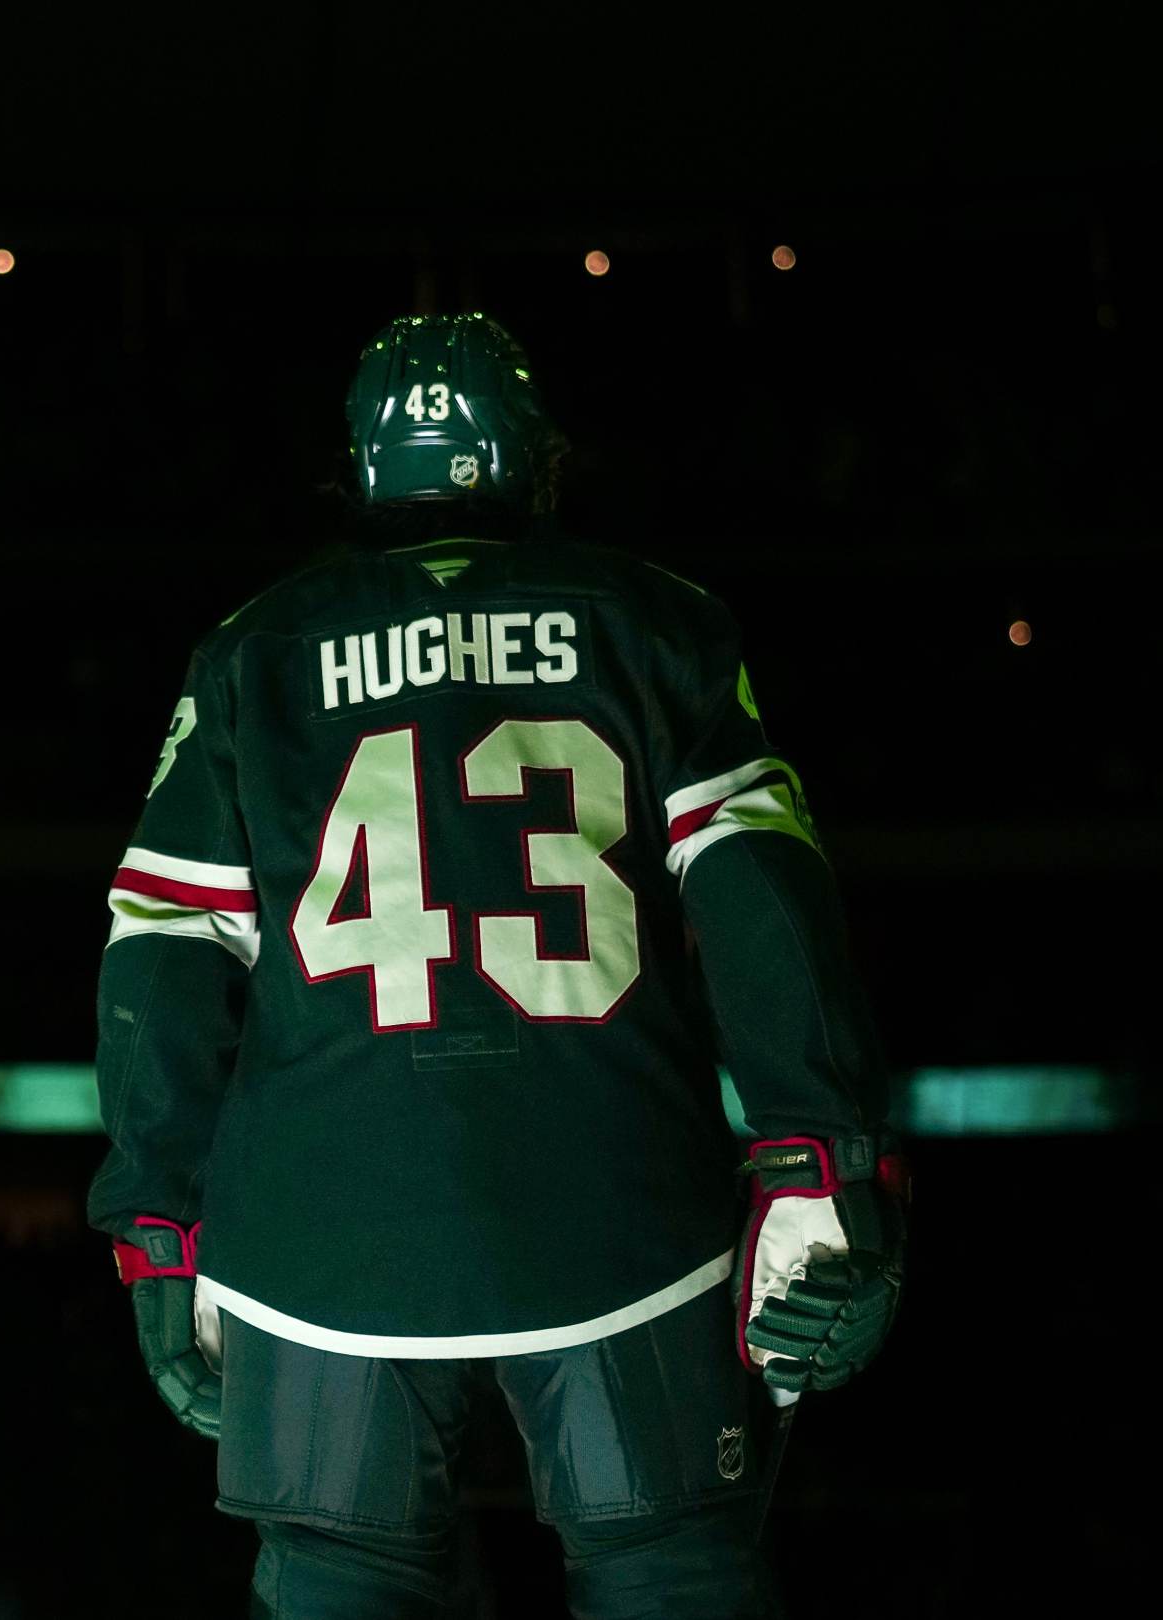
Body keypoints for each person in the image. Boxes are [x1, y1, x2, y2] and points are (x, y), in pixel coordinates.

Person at [88, 314, 907, 1618]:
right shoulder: (656, 618)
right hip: (616, 1201)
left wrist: (156, 1217)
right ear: (535, 455)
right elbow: (763, 896)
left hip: (323, 1233)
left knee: (334, 1575)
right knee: (671, 1568)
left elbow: (165, 953)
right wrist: (821, 1156)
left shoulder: (253, 650)